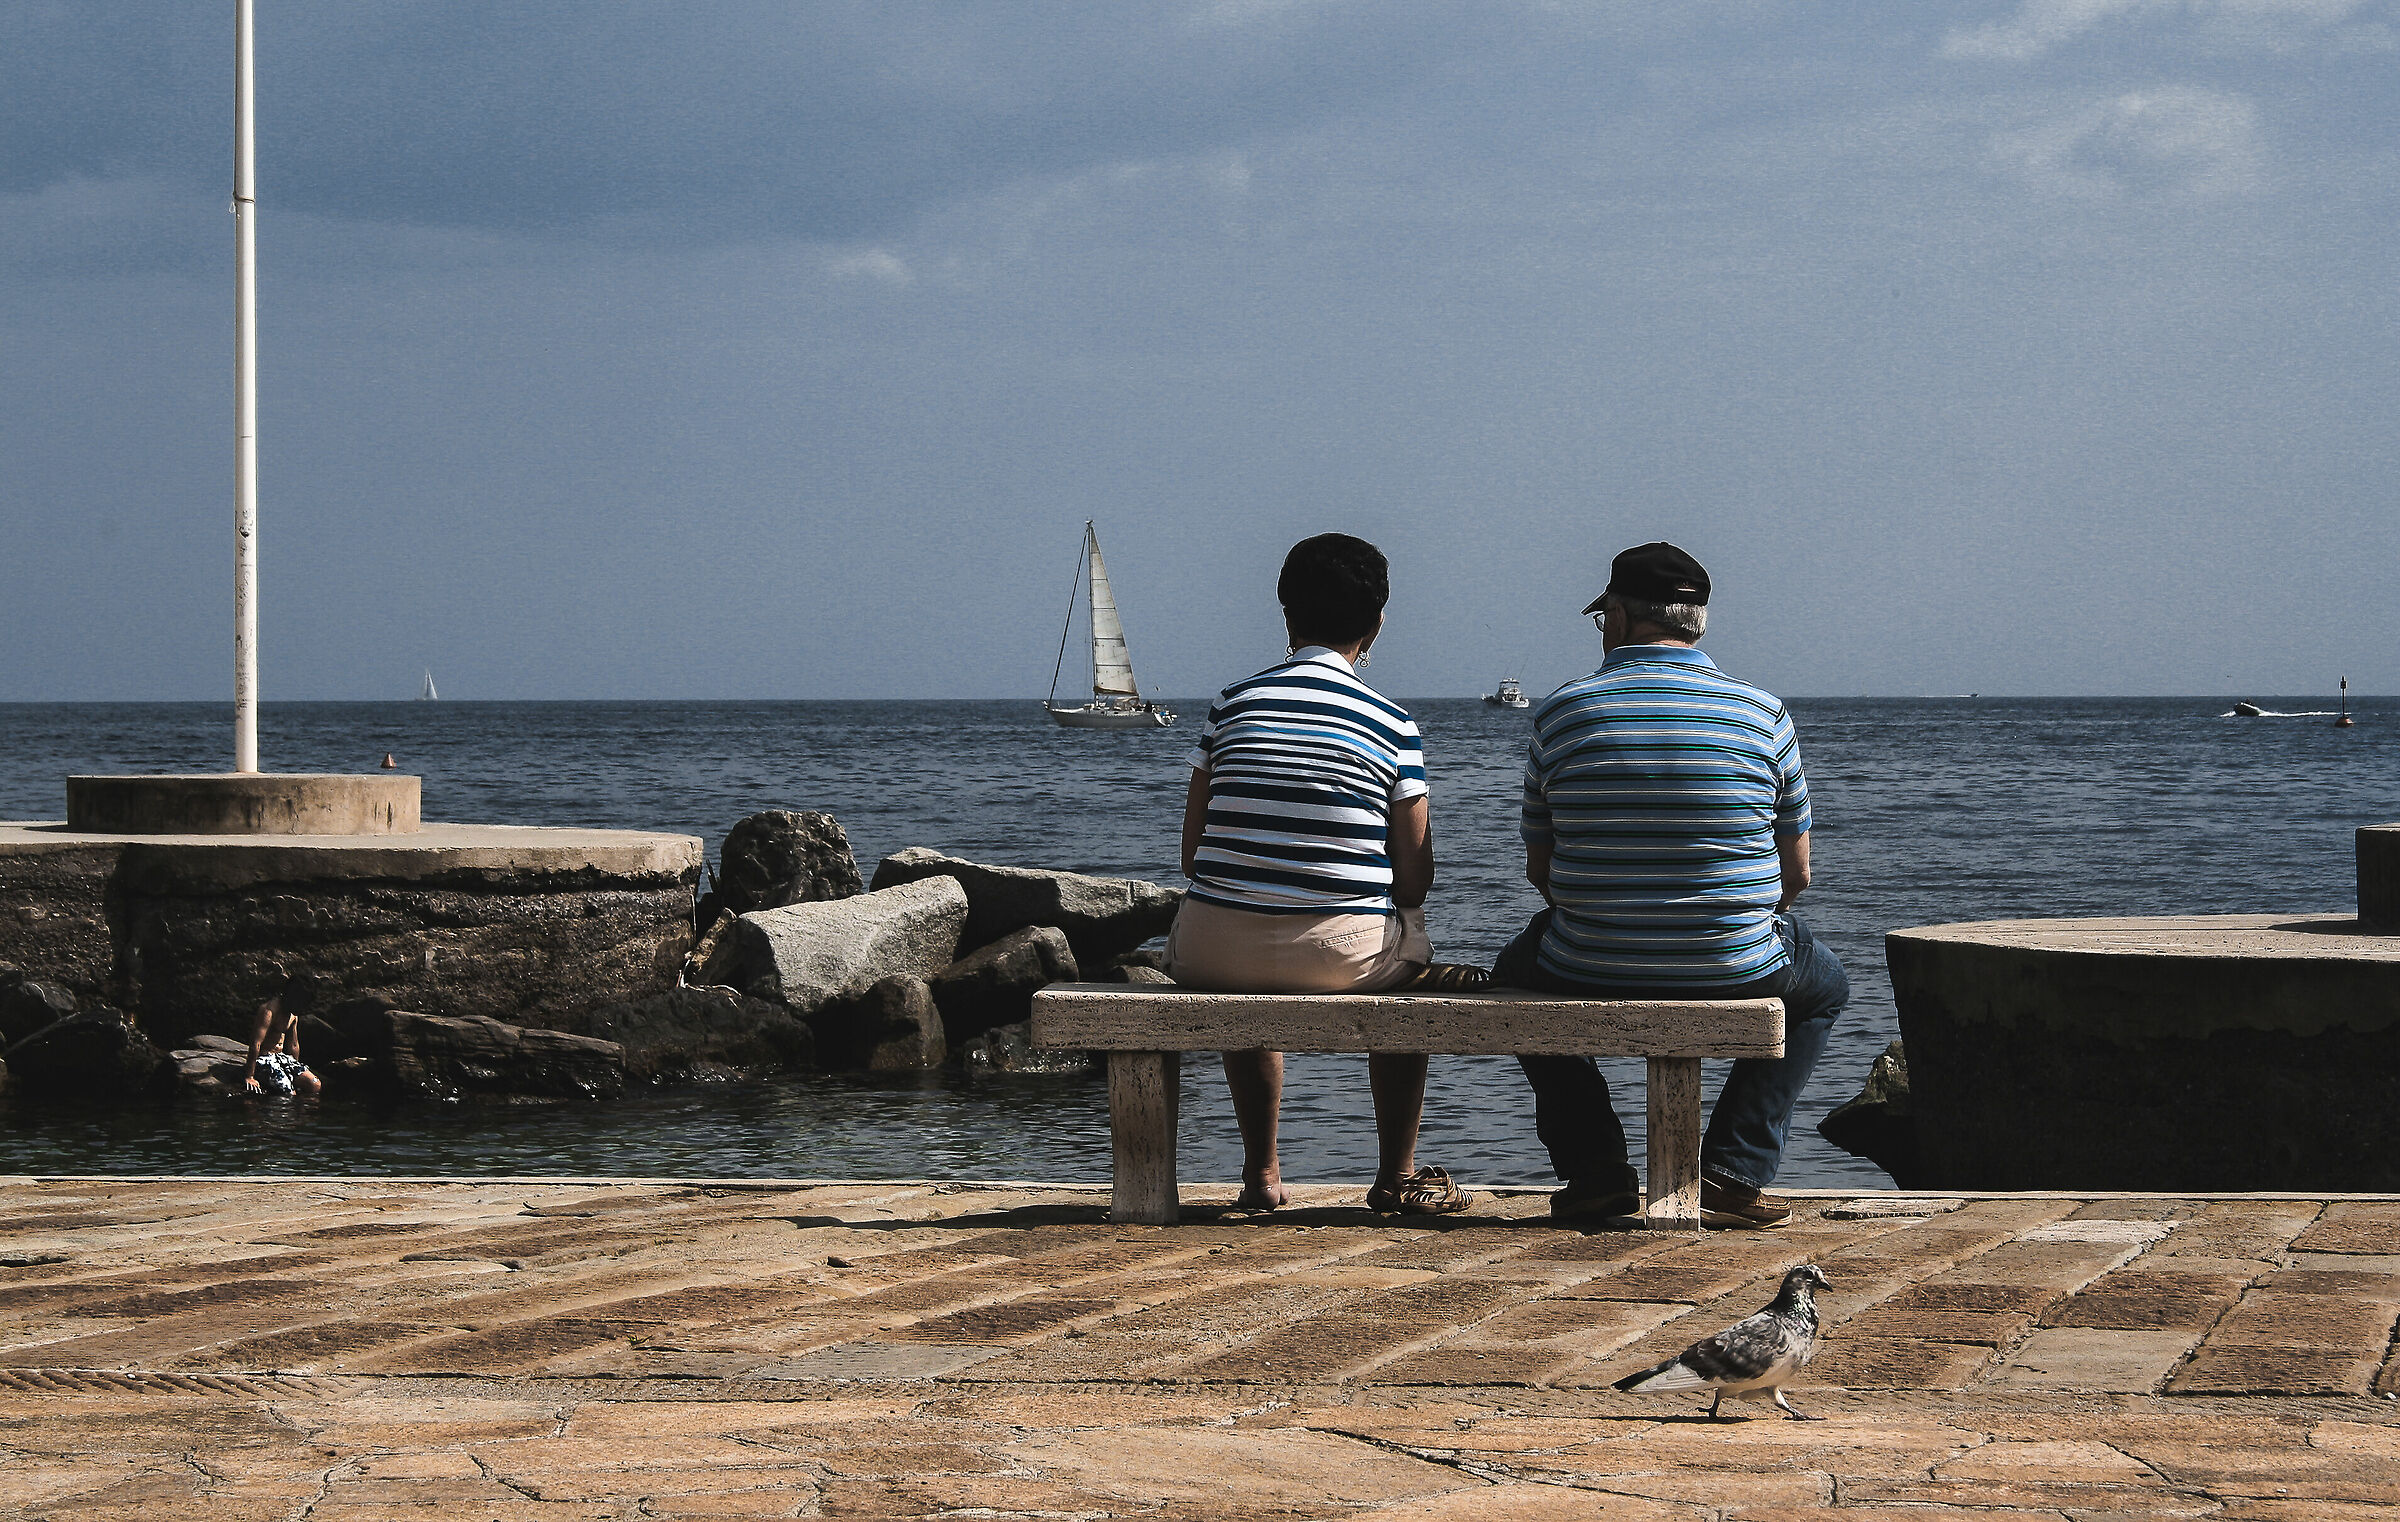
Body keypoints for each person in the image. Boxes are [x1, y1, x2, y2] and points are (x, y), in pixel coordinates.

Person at [1498, 541, 1848, 1229]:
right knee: (1825, 987)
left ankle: (1596, 1171)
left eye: (1604, 620)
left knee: (1510, 976)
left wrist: (1611, 919)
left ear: (1621, 618)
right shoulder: (1765, 715)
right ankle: (1733, 1168)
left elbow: (1540, 870)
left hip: (1587, 962)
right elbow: (1796, 874)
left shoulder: (1561, 715)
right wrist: (1726, 924)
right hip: (1737, 963)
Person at [1166, 533, 1476, 1217]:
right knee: (1410, 969)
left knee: (1250, 927)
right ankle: (1396, 1175)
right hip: (1346, 960)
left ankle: (1262, 1172)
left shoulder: (1230, 706)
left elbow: (1193, 856)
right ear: (1377, 624)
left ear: (1286, 613)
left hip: (1211, 953)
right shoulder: (1393, 723)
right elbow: (1415, 880)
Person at [244, 972, 324, 1097]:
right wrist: (249, 1076)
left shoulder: (293, 1015)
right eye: (301, 1003)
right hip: (265, 1059)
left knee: (315, 1085)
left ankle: (301, 1114)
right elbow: (256, 1043)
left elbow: (293, 1045)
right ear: (292, 997)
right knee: (289, 1094)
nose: (303, 1008)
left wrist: (295, 1070)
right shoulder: (269, 1011)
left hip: (282, 1058)